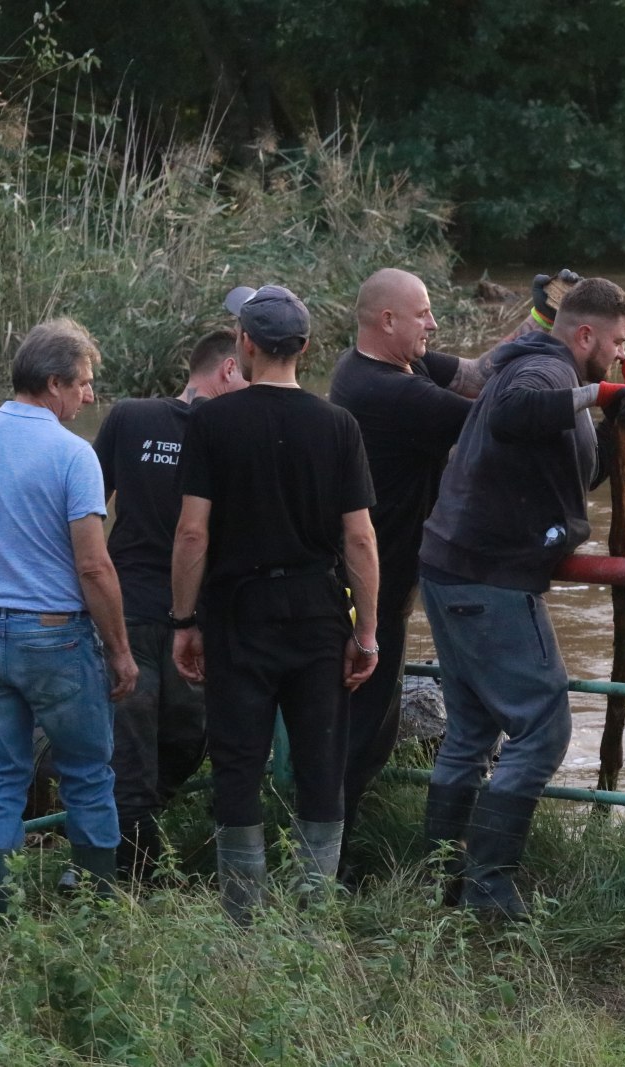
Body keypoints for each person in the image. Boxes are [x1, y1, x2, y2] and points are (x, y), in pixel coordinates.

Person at [326, 267, 582, 885]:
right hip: (371, 585)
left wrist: (541, 323)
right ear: (387, 321)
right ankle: (326, 872)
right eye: (422, 315)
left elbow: (476, 374)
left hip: (396, 576)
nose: (433, 325)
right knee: (360, 737)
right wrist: (586, 396)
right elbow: (495, 416)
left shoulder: (378, 366)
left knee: (390, 730)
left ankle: (396, 869)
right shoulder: (391, 394)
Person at [418, 276, 625, 921]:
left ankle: (440, 883)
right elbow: (523, 413)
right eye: (616, 344)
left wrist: (618, 424)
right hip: (489, 577)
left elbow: (569, 471)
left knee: (469, 731)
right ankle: (489, 888)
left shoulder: (546, 377)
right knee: (542, 730)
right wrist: (599, 391)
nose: (620, 354)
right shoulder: (542, 371)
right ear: (584, 335)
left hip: (454, 569)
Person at [170, 285, 380, 923]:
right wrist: (366, 632)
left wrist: (184, 620)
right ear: (307, 348)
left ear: (246, 345)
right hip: (318, 611)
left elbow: (192, 533)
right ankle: (313, 915)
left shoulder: (210, 423)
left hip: (238, 612)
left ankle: (243, 918)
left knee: (237, 761)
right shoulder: (338, 425)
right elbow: (361, 538)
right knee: (321, 760)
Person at [0, 319, 139, 913]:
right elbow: (95, 568)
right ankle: (97, 905)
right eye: (84, 384)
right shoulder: (74, 455)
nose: (90, 396)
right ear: (53, 383)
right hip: (56, 635)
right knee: (87, 775)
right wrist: (120, 651)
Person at [92, 329, 247, 879]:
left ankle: (108, 852)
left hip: (190, 620)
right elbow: (87, 508)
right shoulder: (131, 418)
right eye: (248, 376)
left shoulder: (232, 433)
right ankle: (127, 876)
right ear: (228, 370)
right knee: (130, 753)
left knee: (185, 742)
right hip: (131, 609)